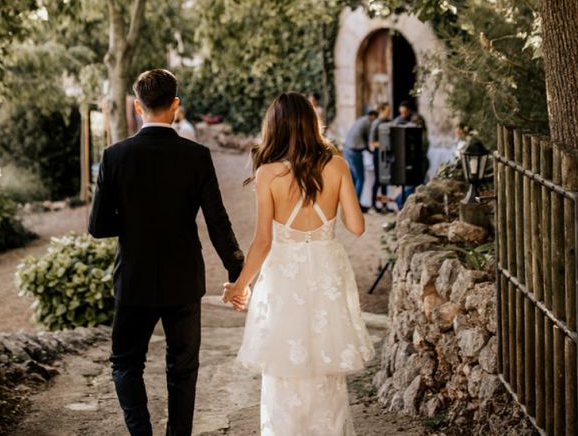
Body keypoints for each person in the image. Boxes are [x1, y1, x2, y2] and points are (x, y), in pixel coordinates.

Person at [89, 68, 245, 436]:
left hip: (134, 278)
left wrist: (133, 223)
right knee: (183, 368)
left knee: (126, 363)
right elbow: (217, 222)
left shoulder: (114, 157)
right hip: (183, 279)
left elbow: (97, 227)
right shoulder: (196, 156)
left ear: (138, 106)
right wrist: (237, 270)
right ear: (176, 106)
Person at [223, 92, 374, 436]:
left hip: (284, 279)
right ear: (311, 123)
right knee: (325, 368)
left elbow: (262, 242)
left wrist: (240, 286)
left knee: (283, 368)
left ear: (274, 127)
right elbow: (357, 227)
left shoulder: (268, 175)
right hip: (326, 273)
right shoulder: (335, 165)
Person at [343, 107, 377, 212]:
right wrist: (372, 150)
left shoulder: (361, 120)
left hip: (347, 150)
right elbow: (369, 139)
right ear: (373, 116)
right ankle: (355, 205)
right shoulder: (368, 123)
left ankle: (349, 204)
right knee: (360, 178)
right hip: (354, 152)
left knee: (353, 179)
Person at [369, 102, 392, 213]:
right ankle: (373, 205)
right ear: (382, 110)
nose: (389, 112)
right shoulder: (376, 123)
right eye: (388, 110)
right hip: (378, 153)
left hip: (387, 153)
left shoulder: (389, 122)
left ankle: (384, 205)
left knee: (385, 179)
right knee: (378, 180)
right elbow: (373, 142)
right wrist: (384, 145)